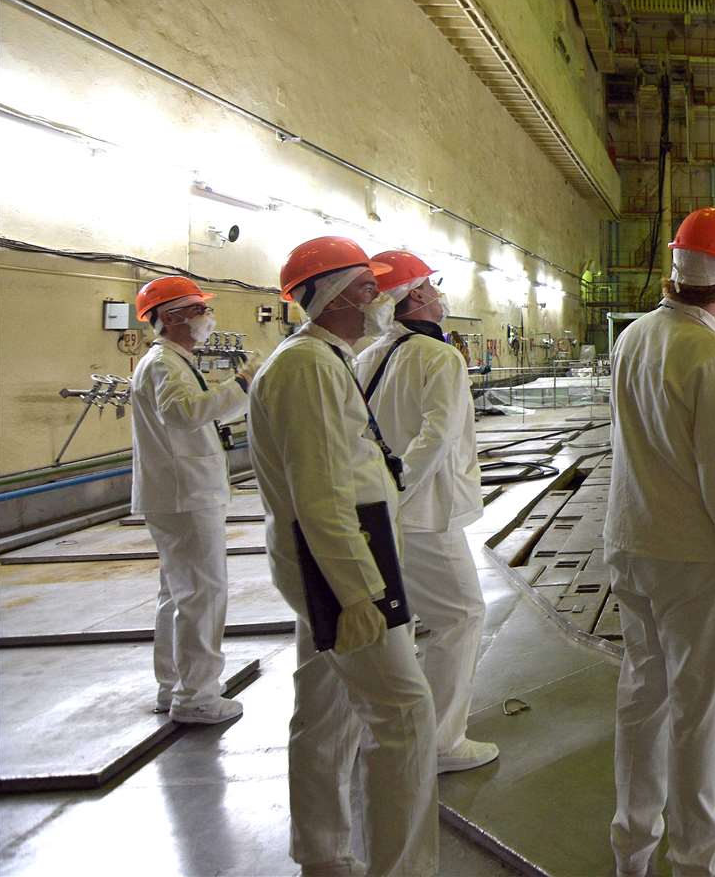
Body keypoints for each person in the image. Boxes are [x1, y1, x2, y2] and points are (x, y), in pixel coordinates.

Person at [249, 236, 437, 877]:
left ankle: (323, 853)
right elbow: (322, 493)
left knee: (325, 708)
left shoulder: (323, 360)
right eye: (365, 288)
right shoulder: (307, 368)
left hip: (331, 558)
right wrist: (359, 593)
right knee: (404, 716)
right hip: (338, 565)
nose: (378, 299)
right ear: (329, 298)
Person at [604, 208, 715, 877]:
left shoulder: (635, 337)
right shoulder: (713, 356)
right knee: (701, 713)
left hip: (629, 544)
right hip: (693, 562)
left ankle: (632, 849)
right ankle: (702, 858)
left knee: (642, 702)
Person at [354, 249, 498, 774]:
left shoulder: (368, 356)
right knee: (462, 615)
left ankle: (394, 731)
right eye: (431, 286)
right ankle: (440, 742)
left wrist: (381, 495)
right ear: (414, 297)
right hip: (423, 515)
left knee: (401, 623)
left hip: (380, 512)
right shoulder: (439, 357)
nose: (438, 294)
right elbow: (434, 437)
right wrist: (400, 488)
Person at [129, 276, 259, 724]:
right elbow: (183, 414)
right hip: (185, 493)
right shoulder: (164, 362)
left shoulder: (171, 361)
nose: (208, 319)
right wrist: (243, 384)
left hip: (179, 490)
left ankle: (174, 685)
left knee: (179, 593)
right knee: (203, 593)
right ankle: (198, 697)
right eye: (200, 311)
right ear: (171, 318)